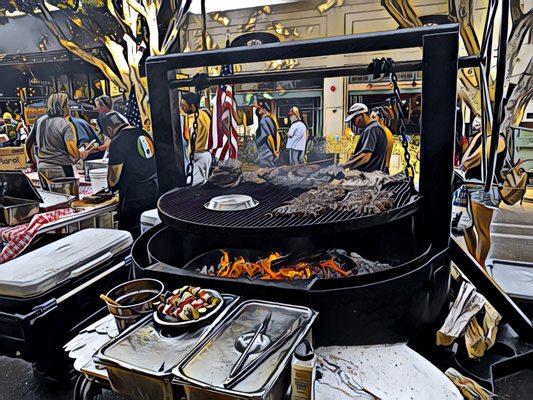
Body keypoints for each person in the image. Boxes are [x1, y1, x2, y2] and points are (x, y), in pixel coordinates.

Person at [100, 111, 158, 237]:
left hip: (133, 201)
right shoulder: (143, 133)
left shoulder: (118, 140)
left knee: (133, 239)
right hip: (153, 193)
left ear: (109, 129)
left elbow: (113, 181)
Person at [459, 123, 507, 267]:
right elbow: (465, 160)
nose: (477, 120)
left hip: (484, 187)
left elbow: (474, 160)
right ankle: (475, 264)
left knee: (482, 231)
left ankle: (480, 265)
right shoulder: (479, 136)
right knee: (466, 226)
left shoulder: (496, 138)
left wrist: (463, 164)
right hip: (469, 184)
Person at [25, 93, 94, 180]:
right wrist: (82, 154)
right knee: (68, 193)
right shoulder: (64, 124)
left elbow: (28, 143)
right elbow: (74, 154)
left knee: (48, 193)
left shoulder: (40, 121)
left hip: (42, 168)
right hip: (62, 169)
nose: (69, 108)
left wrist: (33, 162)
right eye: (68, 105)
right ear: (64, 106)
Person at [343, 103, 388, 173]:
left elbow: (365, 157)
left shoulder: (372, 129)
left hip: (370, 175)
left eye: (355, 119)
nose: (354, 123)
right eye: (352, 121)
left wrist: (343, 166)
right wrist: (355, 156)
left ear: (363, 114)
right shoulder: (371, 128)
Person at [180, 92, 212, 185]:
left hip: (199, 155)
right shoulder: (205, 114)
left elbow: (186, 136)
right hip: (204, 155)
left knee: (195, 185)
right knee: (202, 182)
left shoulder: (195, 117)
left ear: (192, 106)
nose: (182, 108)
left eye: (184, 105)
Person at [255, 100, 281, 167]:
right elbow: (277, 134)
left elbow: (269, 137)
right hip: (270, 153)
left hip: (265, 154)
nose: (258, 109)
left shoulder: (263, 121)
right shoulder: (271, 120)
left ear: (264, 109)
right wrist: (277, 150)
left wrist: (274, 151)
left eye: (260, 108)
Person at [370, 107, 395, 173]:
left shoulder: (382, 133)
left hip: (380, 170)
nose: (370, 120)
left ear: (381, 120)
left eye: (373, 117)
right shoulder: (386, 132)